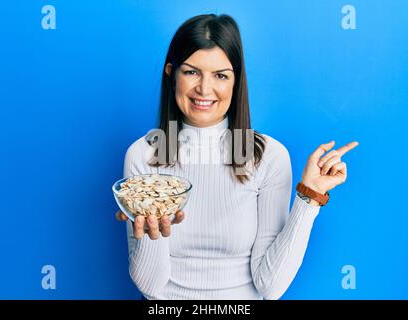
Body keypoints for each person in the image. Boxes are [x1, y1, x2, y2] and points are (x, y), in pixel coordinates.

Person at [116, 13, 358, 300]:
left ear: (236, 81)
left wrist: (309, 198)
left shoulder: (268, 157)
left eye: (220, 75)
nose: (204, 89)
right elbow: (150, 286)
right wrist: (151, 232)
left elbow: (271, 287)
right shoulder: (144, 156)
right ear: (171, 73)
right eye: (191, 72)